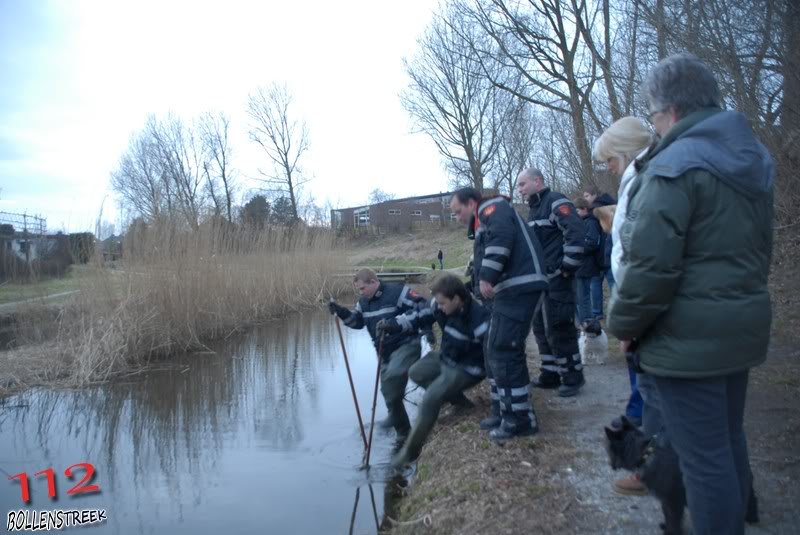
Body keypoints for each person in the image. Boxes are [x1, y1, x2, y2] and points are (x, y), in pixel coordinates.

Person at [607, 53, 774, 534]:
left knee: (703, 462)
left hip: (686, 341)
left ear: (672, 110)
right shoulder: (751, 159)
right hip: (737, 328)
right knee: (726, 440)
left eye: (654, 116)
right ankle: (742, 517)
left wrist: (624, 326)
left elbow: (651, 268)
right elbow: (759, 249)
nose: (655, 127)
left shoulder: (673, 166)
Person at [450, 187, 548, 440]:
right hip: (512, 289)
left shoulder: (492, 208)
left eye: (457, 211)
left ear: (471, 203)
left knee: (504, 349)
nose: (457, 218)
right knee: (495, 347)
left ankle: (520, 419)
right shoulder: (484, 217)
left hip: (519, 286)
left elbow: (502, 237)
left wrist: (487, 277)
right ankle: (502, 409)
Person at [593, 115, 654, 495]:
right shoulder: (642, 179)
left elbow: (639, 257)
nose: (610, 170)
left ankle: (648, 469)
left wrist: (627, 323)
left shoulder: (644, 180)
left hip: (642, 304)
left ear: (625, 151)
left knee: (648, 389)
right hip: (642, 300)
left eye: (610, 161)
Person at [378, 274, 489, 466]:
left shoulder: (479, 318)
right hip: (447, 358)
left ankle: (409, 453)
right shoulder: (440, 306)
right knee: (416, 372)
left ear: (457, 298)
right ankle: (460, 402)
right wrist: (393, 325)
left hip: (469, 368)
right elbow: (418, 315)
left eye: (443, 303)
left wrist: (498, 389)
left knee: (431, 397)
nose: (440, 307)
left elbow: (494, 353)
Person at [329, 268, 426, 442]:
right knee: (389, 394)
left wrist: (395, 323)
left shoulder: (398, 292)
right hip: (384, 352)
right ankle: (404, 435)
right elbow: (357, 322)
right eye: (359, 290)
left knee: (391, 378)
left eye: (362, 289)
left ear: (373, 282)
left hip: (407, 345)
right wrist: (342, 312)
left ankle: (404, 424)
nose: (361, 293)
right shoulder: (363, 303)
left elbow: (423, 307)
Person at [517, 168, 586, 397]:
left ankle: (572, 375)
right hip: (541, 280)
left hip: (558, 278)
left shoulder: (555, 201)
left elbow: (575, 232)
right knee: (539, 327)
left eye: (523, 184)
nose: (520, 189)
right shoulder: (533, 210)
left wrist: (567, 266)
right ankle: (550, 372)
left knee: (559, 327)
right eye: (519, 185)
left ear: (538, 181)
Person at [583, 186, 616, 314]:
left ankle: (597, 313)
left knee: (596, 284)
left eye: (587, 196)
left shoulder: (595, 211)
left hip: (600, 253)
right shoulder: (613, 204)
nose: (585, 199)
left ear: (594, 195)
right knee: (613, 284)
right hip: (611, 251)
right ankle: (616, 311)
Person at [573, 198, 603, 328]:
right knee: (582, 297)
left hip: (586, 265)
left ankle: (587, 323)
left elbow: (592, 243)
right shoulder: (584, 221)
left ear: (584, 209)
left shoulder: (590, 222)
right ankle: (585, 322)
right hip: (582, 265)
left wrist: (576, 247)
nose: (575, 213)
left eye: (577, 210)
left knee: (583, 298)